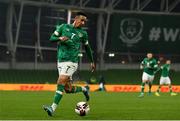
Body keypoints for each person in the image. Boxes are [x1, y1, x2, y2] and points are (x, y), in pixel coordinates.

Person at [43, 12, 95, 116]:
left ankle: (52, 108)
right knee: (68, 89)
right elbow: (51, 38)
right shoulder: (63, 27)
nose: (83, 23)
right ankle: (84, 89)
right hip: (61, 60)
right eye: (82, 20)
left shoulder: (83, 34)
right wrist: (60, 38)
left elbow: (87, 48)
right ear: (76, 18)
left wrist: (92, 61)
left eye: (85, 21)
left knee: (60, 81)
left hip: (72, 61)